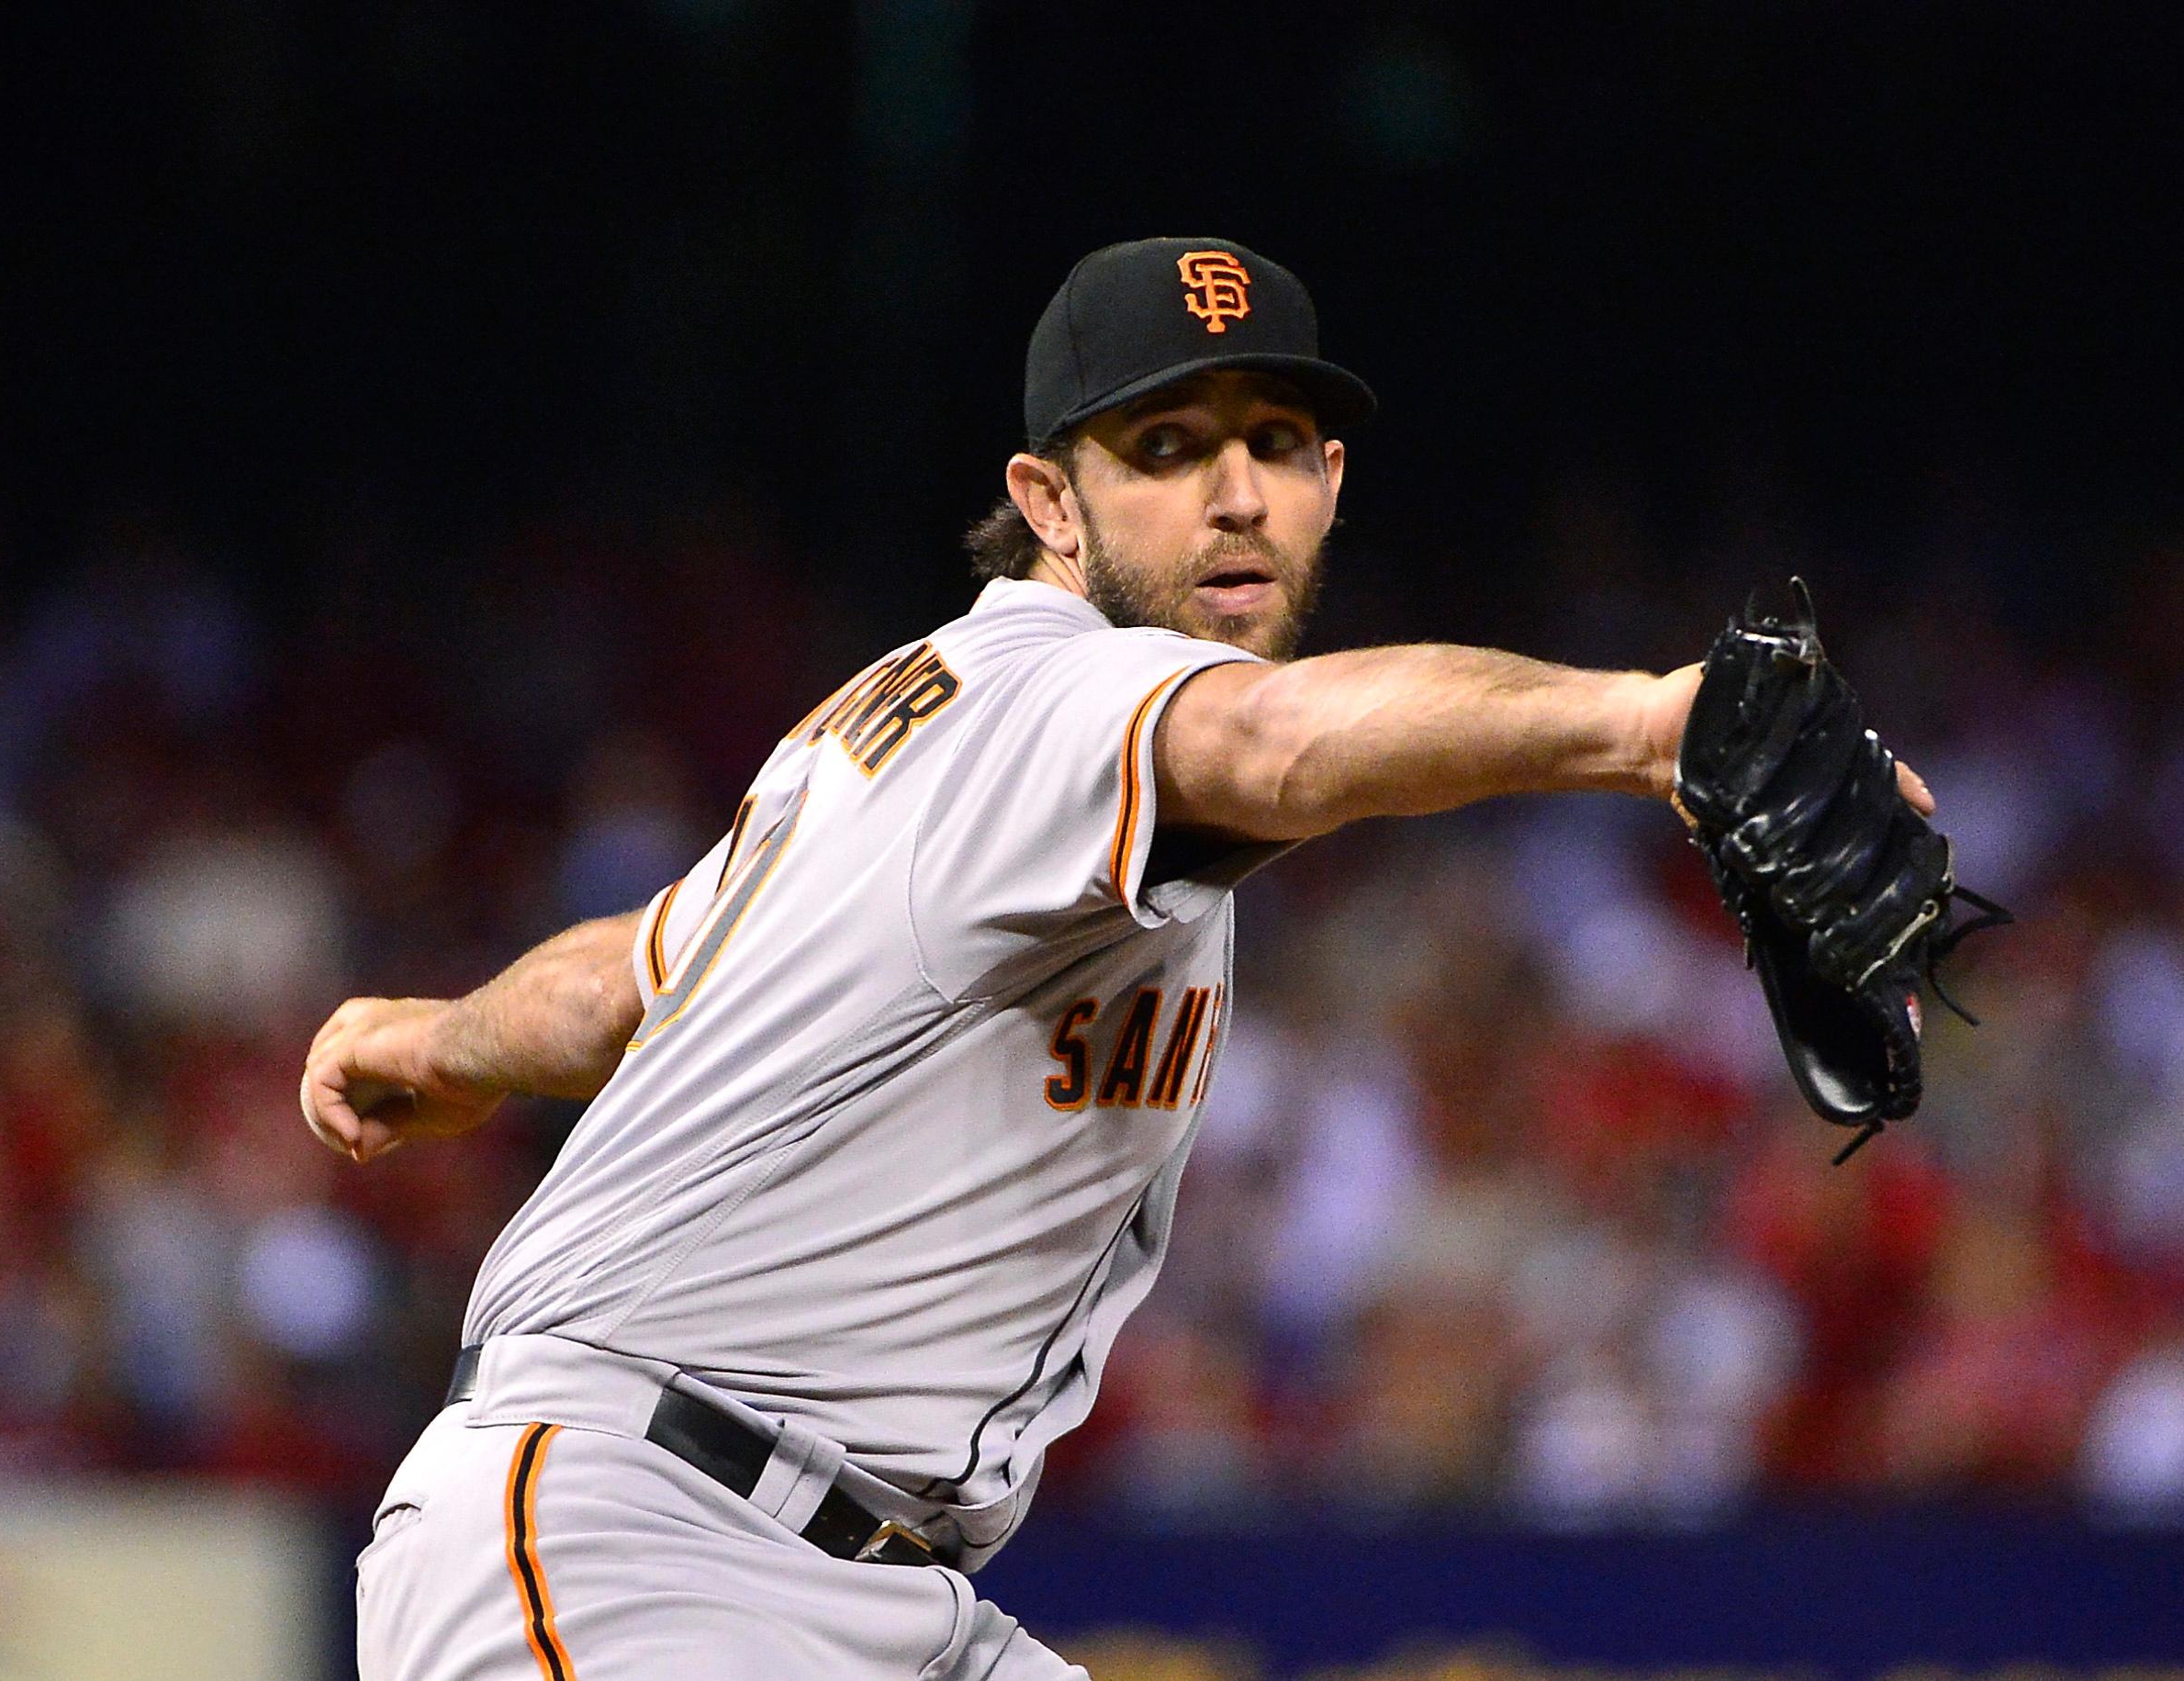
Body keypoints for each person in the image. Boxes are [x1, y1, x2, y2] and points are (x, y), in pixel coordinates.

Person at [300, 236, 1926, 1679]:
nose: (1235, 493)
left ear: (1334, 480)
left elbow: (630, 982)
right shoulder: (1051, 691)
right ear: (1047, 504)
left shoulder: (892, 744)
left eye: (1274, 444)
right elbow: (1280, 746)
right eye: (1166, 447)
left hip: (870, 1593)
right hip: (638, 1550)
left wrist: (439, 1045)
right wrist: (1657, 724)